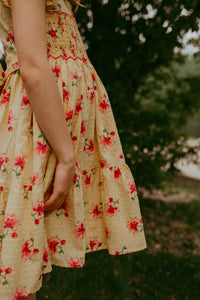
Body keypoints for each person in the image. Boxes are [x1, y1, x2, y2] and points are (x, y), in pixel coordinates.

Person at [0, 0, 147, 299]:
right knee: (16, 263)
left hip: (50, 130)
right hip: (38, 129)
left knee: (26, 259)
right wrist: (67, 157)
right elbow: (33, 67)